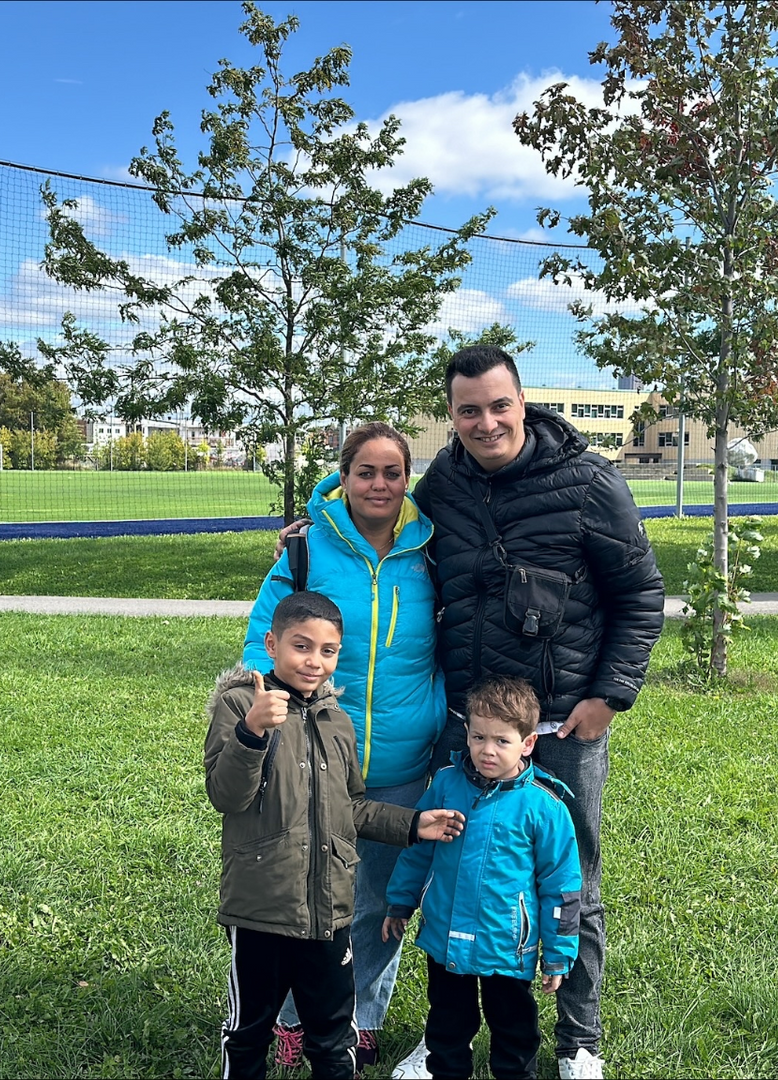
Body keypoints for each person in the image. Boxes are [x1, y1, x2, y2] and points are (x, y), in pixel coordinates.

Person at [398, 343, 666, 1080]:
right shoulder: (442, 483)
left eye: (498, 405)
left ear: (524, 401)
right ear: (450, 416)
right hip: (470, 726)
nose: (486, 423)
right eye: (468, 410)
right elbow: (381, 526)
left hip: (562, 725)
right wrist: (307, 539)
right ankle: (444, 1034)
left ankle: (579, 1038)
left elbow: (641, 597)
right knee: (452, 867)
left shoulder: (589, 482)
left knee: (571, 876)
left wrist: (609, 696)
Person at [242, 423, 446, 1072]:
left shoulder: (434, 550)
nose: (379, 484)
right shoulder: (307, 550)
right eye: (366, 471)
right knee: (307, 901)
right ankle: (297, 1017)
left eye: (392, 472)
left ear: (406, 479)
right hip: (313, 758)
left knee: (382, 905)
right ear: (344, 475)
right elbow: (262, 636)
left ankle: (359, 1016)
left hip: (403, 762)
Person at [205, 591, 466, 1080]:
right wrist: (252, 732)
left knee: (333, 1035)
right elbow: (226, 795)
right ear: (272, 642)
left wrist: (413, 824)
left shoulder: (337, 721)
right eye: (301, 646)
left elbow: (352, 808)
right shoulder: (240, 705)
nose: (314, 661)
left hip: (329, 907)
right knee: (247, 1032)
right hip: (262, 905)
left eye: (328, 651)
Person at [383, 675, 581, 1080]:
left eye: (501, 741)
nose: (486, 751)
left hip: (506, 947)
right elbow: (418, 849)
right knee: (447, 1028)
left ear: (526, 743)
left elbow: (561, 888)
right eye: (478, 737)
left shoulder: (545, 806)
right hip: (445, 939)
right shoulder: (445, 784)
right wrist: (400, 901)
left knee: (514, 1034)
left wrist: (559, 953)